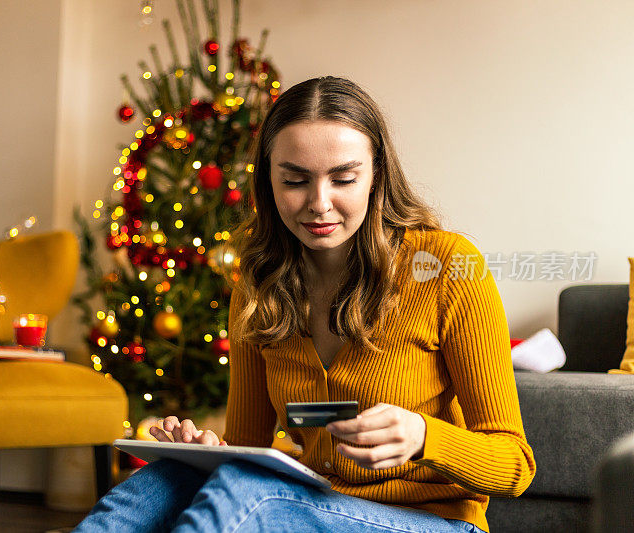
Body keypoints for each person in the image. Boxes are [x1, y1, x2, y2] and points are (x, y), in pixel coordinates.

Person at [74, 76, 536, 533]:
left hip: (433, 523)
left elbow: (515, 465)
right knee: (163, 479)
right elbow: (246, 447)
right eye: (295, 180)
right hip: (313, 505)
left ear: (377, 177)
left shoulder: (445, 266)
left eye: (344, 179)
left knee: (252, 497)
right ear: (268, 181)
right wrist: (207, 450)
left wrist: (424, 438)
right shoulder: (258, 286)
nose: (319, 203)